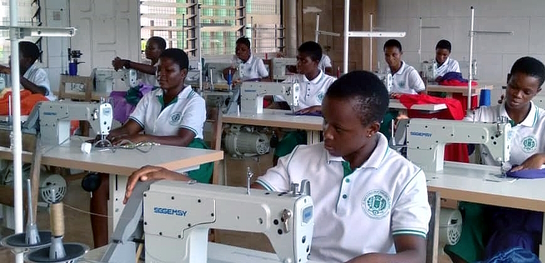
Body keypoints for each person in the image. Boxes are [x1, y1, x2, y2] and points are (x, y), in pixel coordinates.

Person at [123, 71, 431, 263]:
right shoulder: (302, 158)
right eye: (325, 122)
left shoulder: (405, 178)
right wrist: (177, 180)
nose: (327, 133)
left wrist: (370, 261)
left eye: (339, 128)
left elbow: (413, 254)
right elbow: (248, 200)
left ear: (371, 129)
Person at [91, 48, 212, 247]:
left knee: (146, 182)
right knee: (102, 183)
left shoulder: (194, 102)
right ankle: (103, 251)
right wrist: (105, 135)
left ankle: (147, 244)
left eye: (168, 70)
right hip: (151, 155)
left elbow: (183, 139)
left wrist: (141, 137)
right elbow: (130, 128)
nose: (160, 75)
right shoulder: (150, 97)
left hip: (189, 158)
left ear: (183, 74)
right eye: (158, 70)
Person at [445, 56, 545, 263]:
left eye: (527, 92)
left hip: (525, 205)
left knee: (512, 242)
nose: (517, 95)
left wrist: (542, 156)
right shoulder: (483, 115)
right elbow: (452, 133)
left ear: (538, 92)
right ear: (507, 80)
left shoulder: (543, 122)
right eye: (513, 87)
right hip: (486, 197)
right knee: (460, 233)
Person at [270, 41, 336, 166]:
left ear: (316, 63)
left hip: (323, 133)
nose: (298, 64)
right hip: (298, 132)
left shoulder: (331, 83)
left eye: (303, 61)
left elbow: (341, 109)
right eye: (297, 59)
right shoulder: (293, 79)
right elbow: (273, 92)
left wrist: (319, 108)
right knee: (280, 152)